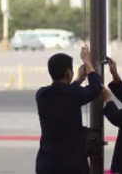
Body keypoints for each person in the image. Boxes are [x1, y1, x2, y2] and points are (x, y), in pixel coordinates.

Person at [35, 45, 102, 174]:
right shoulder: (73, 95)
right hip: (71, 164)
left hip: (47, 163)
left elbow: (64, 93)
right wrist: (87, 61)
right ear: (68, 73)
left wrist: (78, 80)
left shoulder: (42, 94)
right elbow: (96, 88)